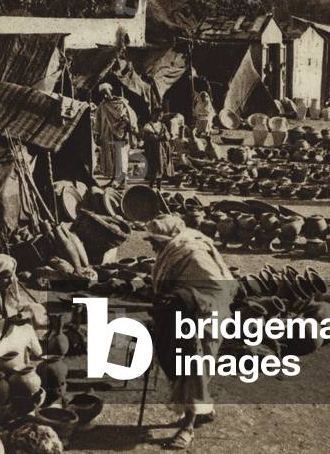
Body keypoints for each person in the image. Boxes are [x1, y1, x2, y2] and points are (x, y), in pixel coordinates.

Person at [147, 215, 237, 449]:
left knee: (193, 367)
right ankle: (204, 410)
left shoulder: (192, 253)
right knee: (186, 364)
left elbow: (216, 289)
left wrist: (184, 297)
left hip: (208, 315)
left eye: (155, 241)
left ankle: (188, 427)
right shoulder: (175, 250)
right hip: (190, 310)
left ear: (167, 237)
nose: (153, 246)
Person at [96, 83, 138, 188]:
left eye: (106, 92)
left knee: (121, 157)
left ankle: (122, 181)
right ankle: (114, 179)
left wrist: (125, 128)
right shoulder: (102, 106)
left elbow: (130, 118)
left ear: (110, 90)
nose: (105, 95)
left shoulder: (121, 103)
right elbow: (98, 121)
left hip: (121, 135)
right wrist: (98, 135)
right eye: (102, 93)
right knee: (111, 158)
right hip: (107, 134)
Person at [141, 111, 175, 190]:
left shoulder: (162, 125)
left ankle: (159, 186)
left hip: (161, 150)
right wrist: (154, 137)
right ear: (153, 115)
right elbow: (145, 137)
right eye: (156, 115)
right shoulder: (148, 125)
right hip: (152, 150)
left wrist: (164, 137)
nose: (158, 117)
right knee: (152, 167)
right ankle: (151, 186)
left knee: (160, 167)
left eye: (160, 116)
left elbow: (167, 136)